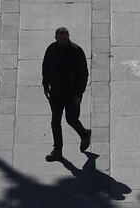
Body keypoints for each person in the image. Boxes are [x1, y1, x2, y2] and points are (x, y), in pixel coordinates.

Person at [42, 27, 90, 162]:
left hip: (71, 94)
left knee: (71, 119)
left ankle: (84, 134)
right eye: (60, 38)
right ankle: (57, 150)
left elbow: (83, 74)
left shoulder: (76, 51)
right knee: (55, 122)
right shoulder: (51, 49)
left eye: (65, 38)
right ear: (55, 38)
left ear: (69, 36)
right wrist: (45, 85)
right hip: (56, 93)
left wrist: (79, 94)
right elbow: (45, 67)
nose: (62, 41)